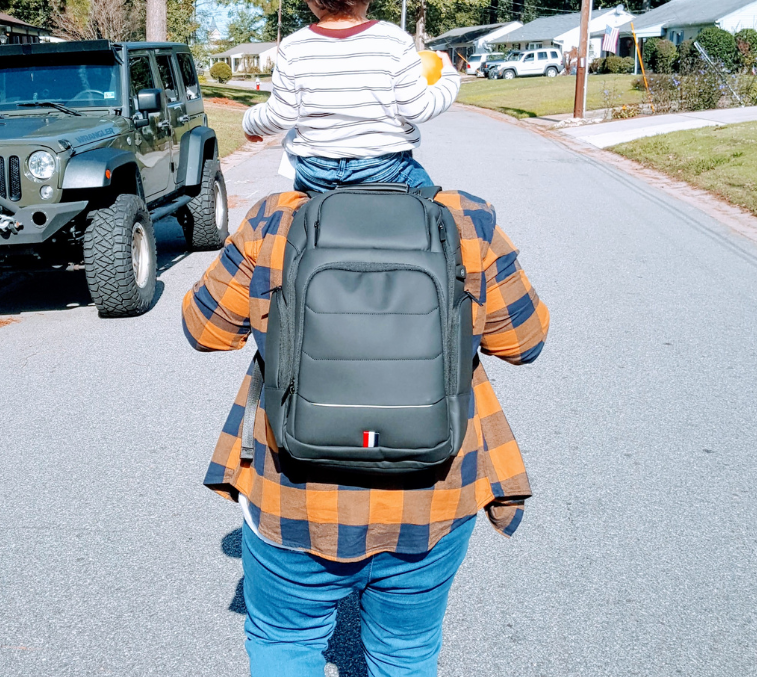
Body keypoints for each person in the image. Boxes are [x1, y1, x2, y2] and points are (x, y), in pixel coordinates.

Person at [182, 188, 550, 676]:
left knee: (285, 641)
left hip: (293, 495)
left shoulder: (277, 217)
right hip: (431, 498)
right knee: (406, 652)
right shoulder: (464, 219)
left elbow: (205, 329)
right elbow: (525, 341)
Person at [241, 0, 460, 193]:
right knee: (436, 216)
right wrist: (448, 78)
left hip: (315, 176)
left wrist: (251, 123)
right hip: (387, 170)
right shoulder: (394, 42)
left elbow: (280, 115)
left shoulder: (293, 49)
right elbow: (418, 109)